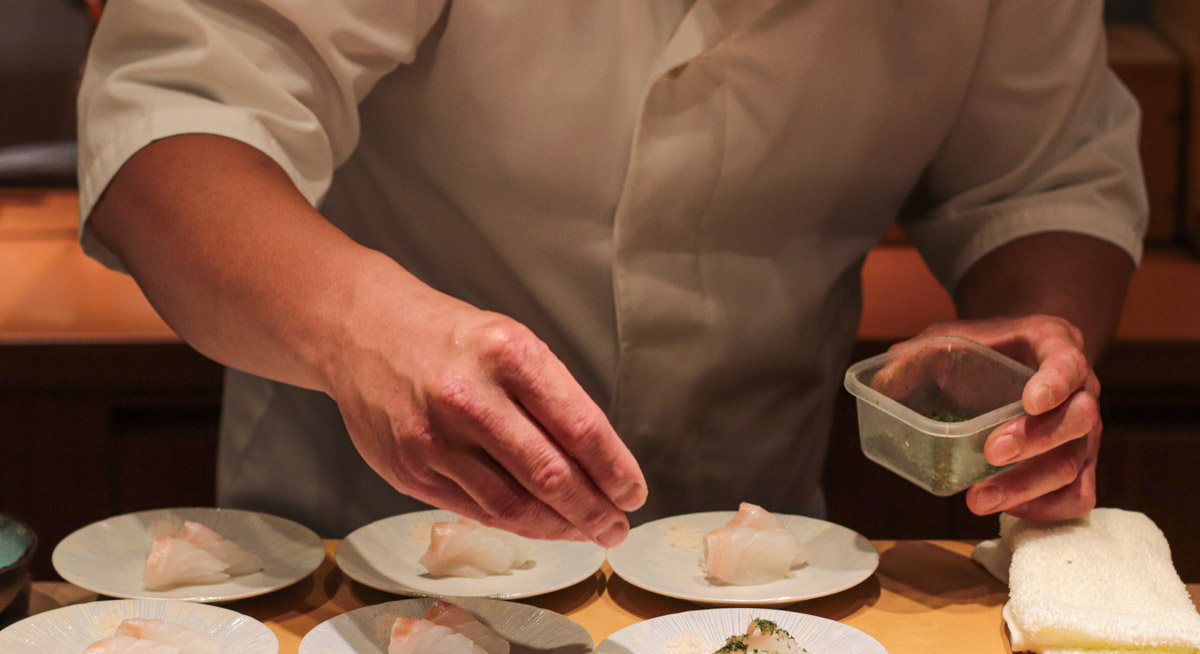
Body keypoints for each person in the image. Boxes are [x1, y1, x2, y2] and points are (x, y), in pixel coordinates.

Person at [76, 1, 1147, 547]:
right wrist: (360, 325)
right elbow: (169, 130)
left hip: (752, 574)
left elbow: (1045, 174)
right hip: (359, 552)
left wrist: (1035, 343)